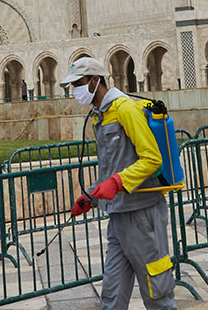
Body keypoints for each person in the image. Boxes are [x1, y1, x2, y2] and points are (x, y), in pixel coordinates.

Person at [59, 57, 176, 310]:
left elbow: (152, 159)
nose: (75, 91)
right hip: (119, 216)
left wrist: (119, 182)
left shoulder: (125, 109)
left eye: (78, 84)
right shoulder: (100, 117)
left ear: (95, 80)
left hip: (142, 214)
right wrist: (90, 195)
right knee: (111, 296)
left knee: (157, 295)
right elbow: (113, 167)